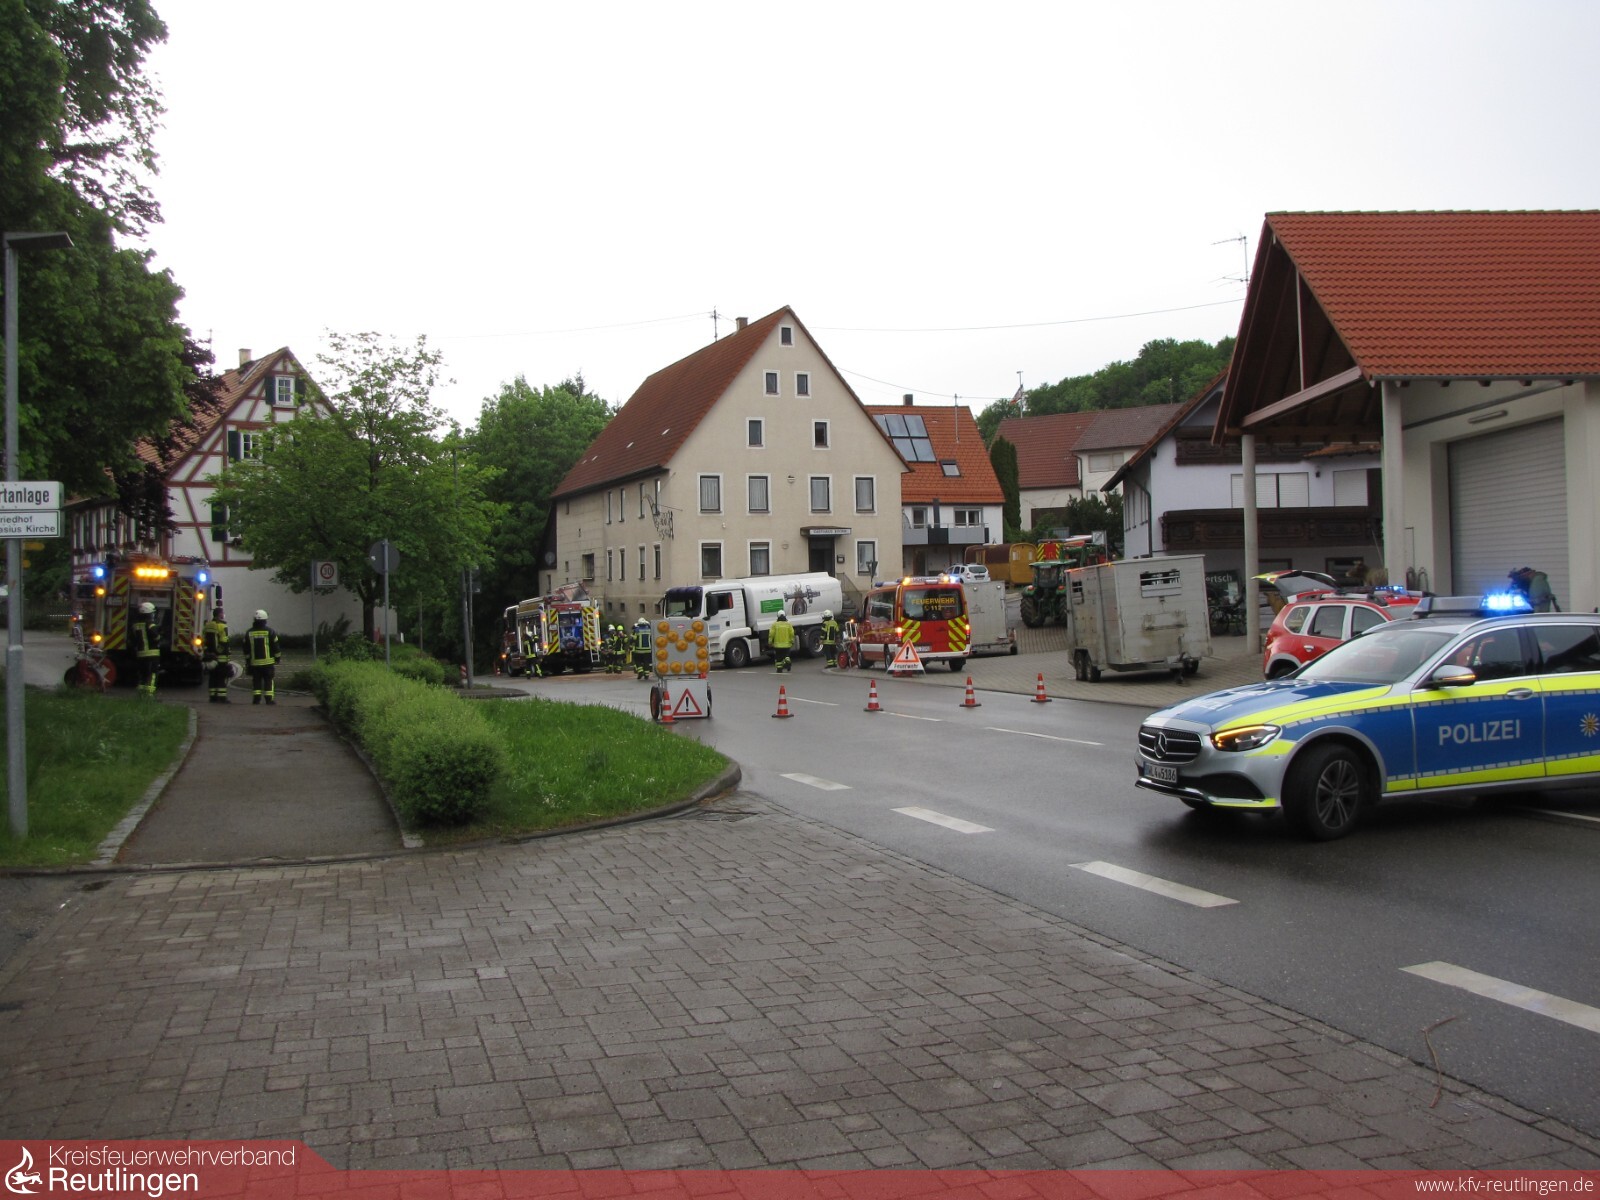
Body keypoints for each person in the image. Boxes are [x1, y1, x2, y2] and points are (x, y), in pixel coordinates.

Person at [246, 609, 282, 705]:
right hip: (268, 663)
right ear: (265, 620)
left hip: (255, 663)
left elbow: (246, 649)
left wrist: (248, 660)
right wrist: (278, 658)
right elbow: (276, 647)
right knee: (268, 681)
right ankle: (269, 700)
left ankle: (256, 699)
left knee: (256, 681)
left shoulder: (249, 632)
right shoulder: (270, 632)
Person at [202, 606, 231, 703]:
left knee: (213, 677)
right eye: (222, 613)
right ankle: (222, 698)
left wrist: (208, 652)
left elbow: (203, 640)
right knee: (221, 677)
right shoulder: (222, 626)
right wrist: (218, 652)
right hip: (221, 657)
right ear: (219, 615)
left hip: (210, 656)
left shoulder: (207, 625)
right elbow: (224, 641)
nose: (223, 615)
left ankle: (212, 697)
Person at [132, 601, 161, 697]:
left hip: (141, 654)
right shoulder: (151, 625)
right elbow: (156, 637)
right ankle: (149, 694)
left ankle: (141, 693)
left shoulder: (136, 625)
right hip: (152, 654)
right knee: (152, 674)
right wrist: (160, 637)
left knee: (143, 674)